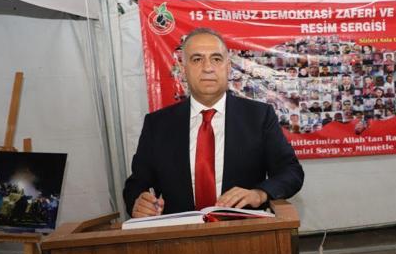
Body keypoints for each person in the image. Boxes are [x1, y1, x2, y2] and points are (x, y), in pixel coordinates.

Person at [124, 28, 304, 218]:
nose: (208, 67)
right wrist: (138, 203)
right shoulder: (157, 124)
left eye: (216, 59)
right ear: (183, 69)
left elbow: (291, 172)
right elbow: (136, 185)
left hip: (243, 234)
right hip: (179, 237)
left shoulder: (259, 116)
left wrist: (259, 194)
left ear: (228, 67)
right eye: (197, 59)